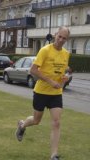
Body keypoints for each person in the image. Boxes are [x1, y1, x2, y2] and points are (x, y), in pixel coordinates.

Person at [15, 26, 70, 160]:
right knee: (36, 120)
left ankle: (54, 155)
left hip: (56, 93)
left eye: (64, 38)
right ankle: (22, 125)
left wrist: (64, 79)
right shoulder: (45, 50)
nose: (61, 40)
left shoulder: (66, 54)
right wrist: (50, 81)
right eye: (59, 36)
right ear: (55, 35)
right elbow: (33, 70)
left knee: (56, 122)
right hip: (41, 92)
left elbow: (62, 73)